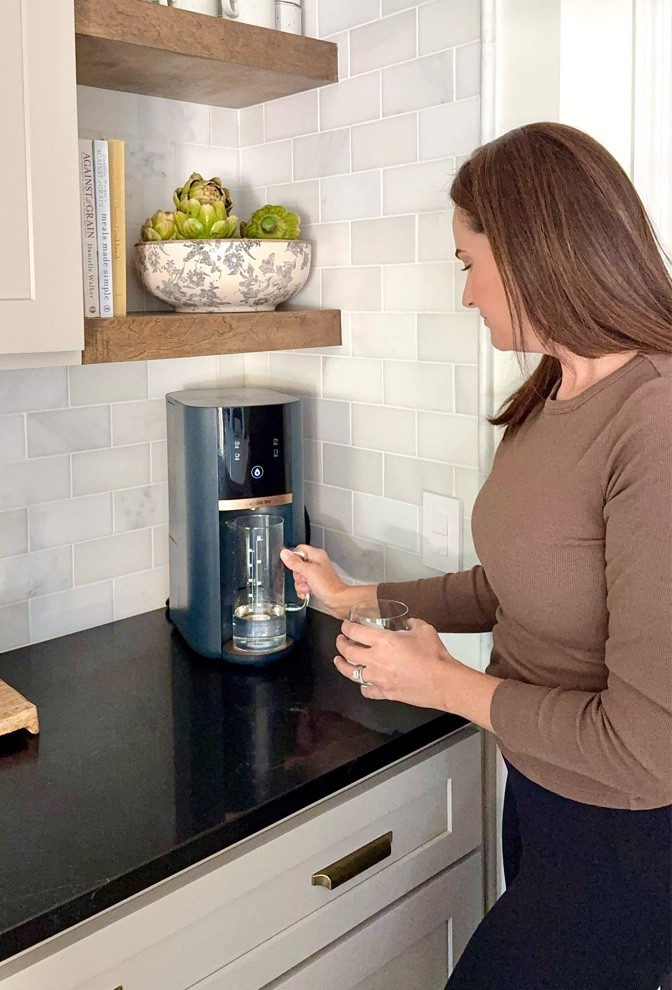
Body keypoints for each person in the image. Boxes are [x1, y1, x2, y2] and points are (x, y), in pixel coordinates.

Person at [282, 123, 672, 990]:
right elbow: (507, 587)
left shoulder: (655, 420)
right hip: (542, 793)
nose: (466, 294)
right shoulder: (552, 391)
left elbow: (650, 748)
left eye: (468, 262)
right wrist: (352, 596)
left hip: (632, 835)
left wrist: (443, 685)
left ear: (534, 252)